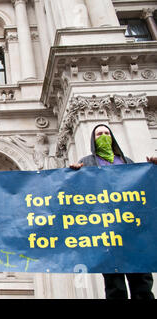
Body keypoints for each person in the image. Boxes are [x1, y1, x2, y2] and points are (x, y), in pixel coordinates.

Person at [69, 124, 156, 299]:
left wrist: (152, 168)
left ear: (112, 137)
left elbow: (142, 189)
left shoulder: (127, 162)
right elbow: (78, 194)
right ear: (93, 139)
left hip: (131, 230)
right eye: (99, 134)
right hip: (105, 232)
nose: (103, 136)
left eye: (106, 133)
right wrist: (72, 174)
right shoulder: (86, 163)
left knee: (142, 282)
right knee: (114, 285)